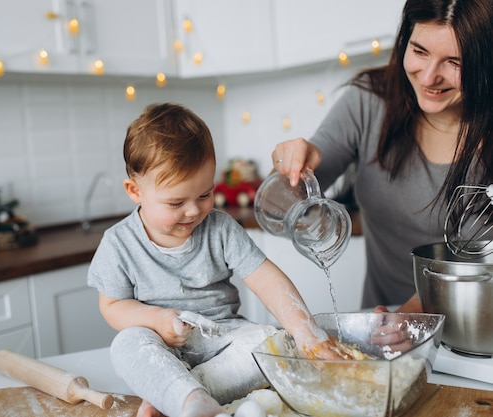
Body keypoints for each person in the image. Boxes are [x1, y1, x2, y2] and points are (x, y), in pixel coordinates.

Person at [87, 103, 348, 417]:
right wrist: (157, 320)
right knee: (127, 344)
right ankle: (184, 396)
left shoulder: (220, 228)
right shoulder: (118, 243)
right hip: (159, 341)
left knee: (272, 340)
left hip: (223, 338)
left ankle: (178, 396)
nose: (194, 211)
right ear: (135, 191)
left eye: (204, 194)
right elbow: (112, 307)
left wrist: (308, 335)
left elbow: (266, 280)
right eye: (176, 202)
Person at [270, 0, 493, 312]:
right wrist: (291, 167)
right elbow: (279, 201)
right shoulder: (369, 101)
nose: (428, 77)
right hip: (382, 323)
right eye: (419, 51)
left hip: (471, 335)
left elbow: (476, 268)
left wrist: (408, 319)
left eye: (454, 63)